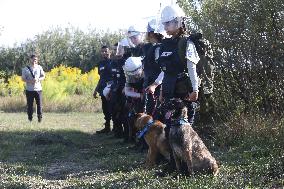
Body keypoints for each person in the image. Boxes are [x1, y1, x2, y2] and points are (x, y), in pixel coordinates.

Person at [146, 4, 200, 125]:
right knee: (169, 126)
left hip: (184, 93)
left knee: (184, 128)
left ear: (178, 22)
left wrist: (195, 90)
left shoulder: (186, 42)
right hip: (169, 93)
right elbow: (166, 70)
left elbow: (192, 67)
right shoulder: (165, 44)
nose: (165, 27)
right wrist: (160, 90)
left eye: (168, 23)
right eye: (164, 24)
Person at [93, 45, 113, 134]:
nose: (104, 53)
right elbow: (101, 78)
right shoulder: (100, 64)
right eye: (102, 51)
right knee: (105, 109)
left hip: (111, 90)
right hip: (102, 90)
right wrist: (96, 89)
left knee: (113, 109)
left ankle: (117, 129)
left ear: (110, 52)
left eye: (106, 51)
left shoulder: (113, 62)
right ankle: (107, 127)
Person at [22, 54, 45, 122]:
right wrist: (30, 81)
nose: (34, 61)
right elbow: (23, 79)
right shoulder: (25, 69)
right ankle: (30, 119)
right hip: (29, 90)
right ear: (30, 59)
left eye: (35, 59)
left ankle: (39, 118)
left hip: (38, 90)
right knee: (30, 105)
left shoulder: (39, 67)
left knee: (40, 105)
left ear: (37, 60)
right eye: (33, 59)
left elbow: (43, 76)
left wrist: (38, 79)